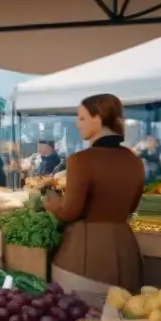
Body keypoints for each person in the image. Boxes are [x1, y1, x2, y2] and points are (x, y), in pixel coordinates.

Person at [42, 94, 144, 303]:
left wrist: (53, 205)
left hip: (85, 256)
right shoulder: (135, 161)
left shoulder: (81, 161)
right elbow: (131, 207)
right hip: (127, 254)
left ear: (98, 119)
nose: (77, 124)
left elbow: (69, 212)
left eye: (81, 118)